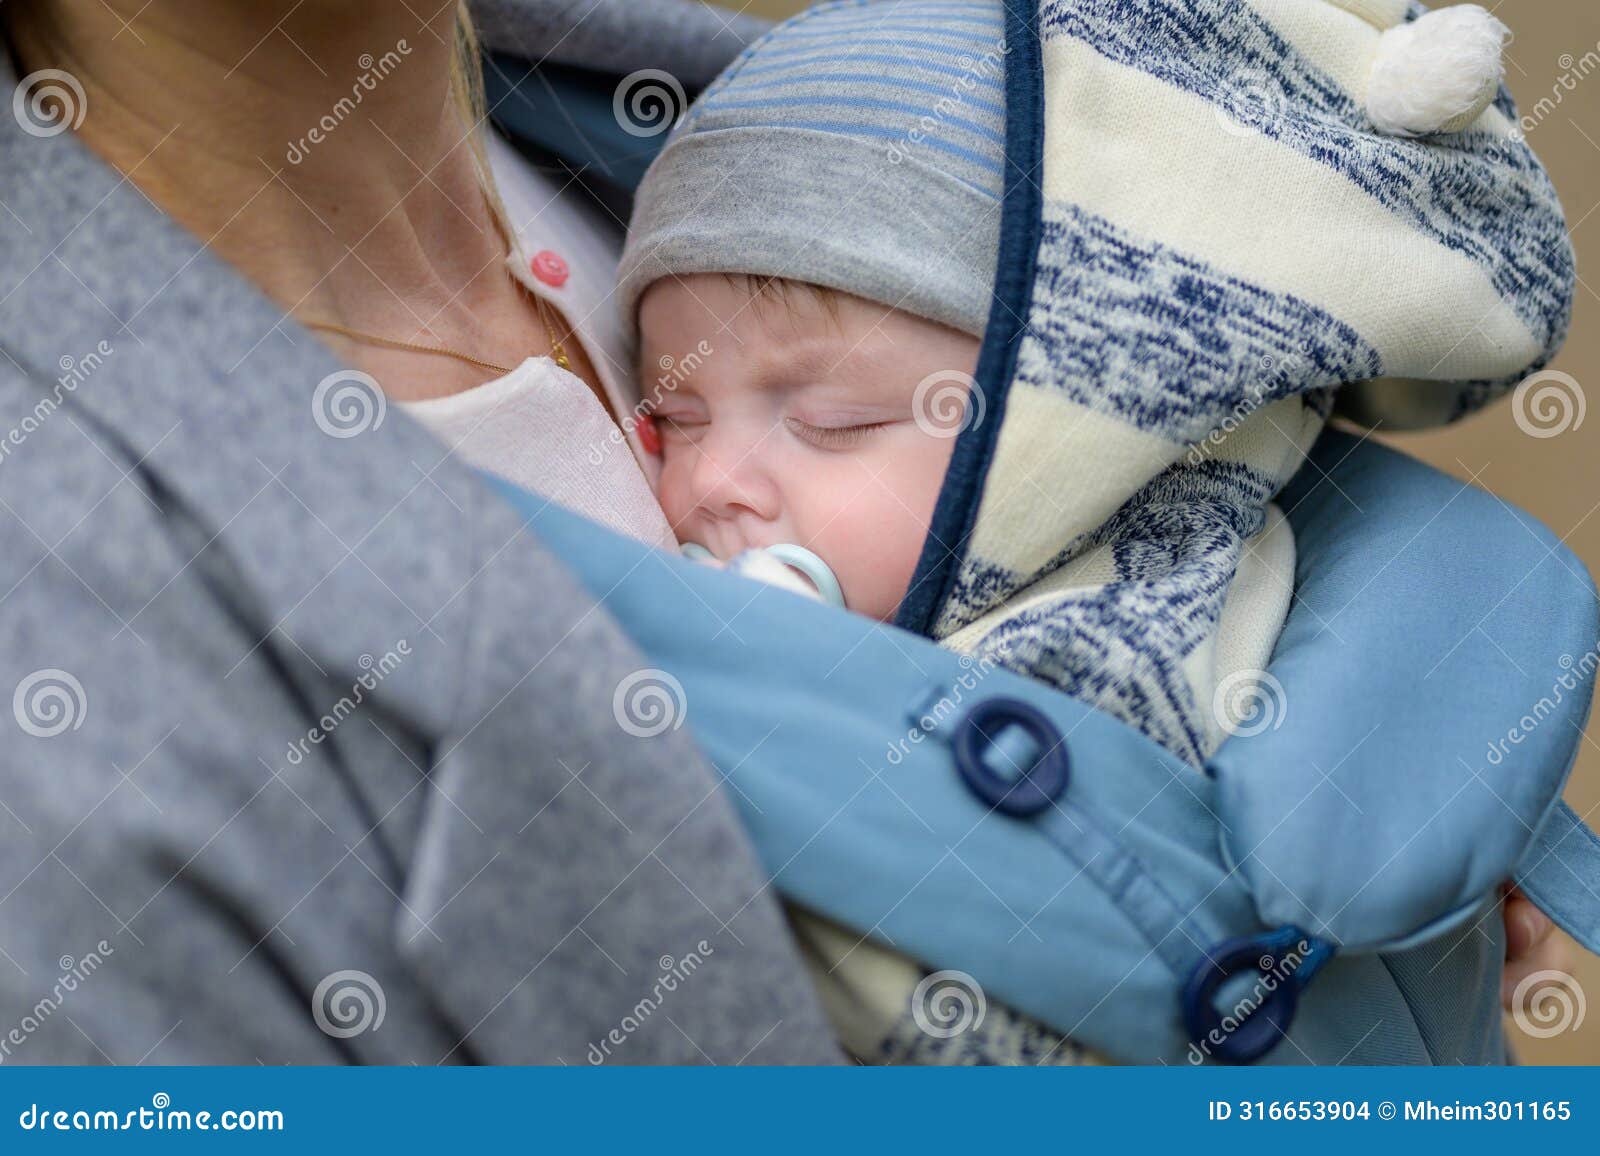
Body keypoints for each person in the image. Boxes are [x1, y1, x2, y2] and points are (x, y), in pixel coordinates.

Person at [0, 0, 1564, 1064]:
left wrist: (1348, 838)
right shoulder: (66, 710)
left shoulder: (775, 120)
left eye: (823, 424)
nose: (717, 482)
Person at [612, 0, 1577, 1060]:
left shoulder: (1164, 612)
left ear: (1067, 433)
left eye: (833, 423)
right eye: (676, 419)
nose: (714, 483)